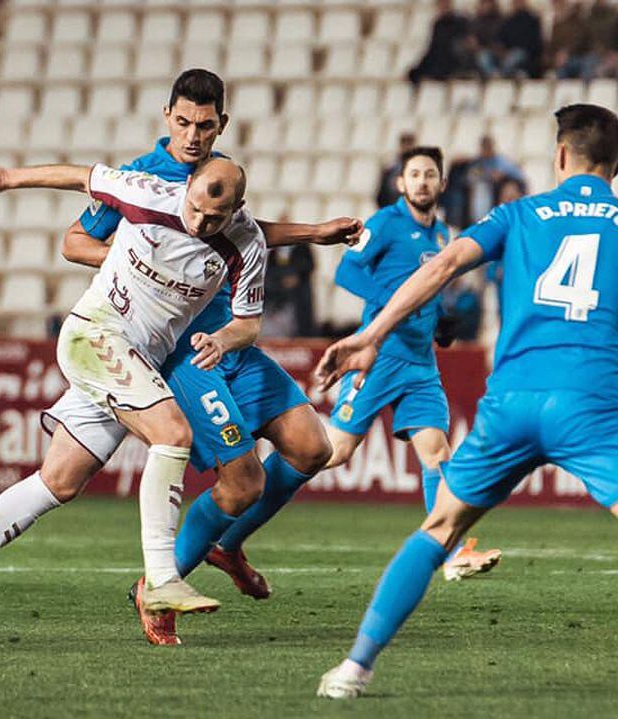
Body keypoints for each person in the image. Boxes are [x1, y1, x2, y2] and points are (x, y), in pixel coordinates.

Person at [314, 103, 618, 699]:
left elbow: (447, 263)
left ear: (560, 155)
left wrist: (370, 333)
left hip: (510, 402)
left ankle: (353, 669)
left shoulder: (520, 213)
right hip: (591, 403)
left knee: (440, 528)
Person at [59, 69, 360, 644]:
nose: (193, 135)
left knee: (310, 447)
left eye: (205, 125)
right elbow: (73, 241)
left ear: (222, 123)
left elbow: (245, 233)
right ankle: (158, 589)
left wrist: (314, 232)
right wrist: (144, 266)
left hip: (230, 336)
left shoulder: (219, 177)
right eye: (183, 122)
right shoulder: (142, 177)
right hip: (184, 351)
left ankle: (226, 542)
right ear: (165, 116)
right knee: (241, 483)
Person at [327, 146, 501, 582]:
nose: (422, 182)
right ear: (401, 183)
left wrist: (438, 319)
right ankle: (247, 490)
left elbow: (430, 291)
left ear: (442, 184)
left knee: (437, 454)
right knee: (333, 452)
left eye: (429, 175)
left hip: (421, 364)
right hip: (381, 356)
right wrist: (396, 306)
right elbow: (346, 274)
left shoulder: (443, 235)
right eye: (414, 175)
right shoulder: (385, 223)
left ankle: (452, 552)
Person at [408, 0, 472, 82]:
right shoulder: (438, 25)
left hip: (456, 62)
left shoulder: (462, 21)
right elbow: (432, 49)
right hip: (440, 63)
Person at [493, 0, 544, 78]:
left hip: (525, 52)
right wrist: (502, 50)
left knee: (516, 55)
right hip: (507, 53)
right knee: (484, 56)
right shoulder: (508, 20)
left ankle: (502, 75)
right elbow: (499, 38)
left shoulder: (532, 20)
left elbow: (534, 42)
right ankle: (505, 73)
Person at [376, 132, 418, 209]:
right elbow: (382, 195)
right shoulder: (390, 169)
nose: (407, 148)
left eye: (409, 144)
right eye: (405, 144)